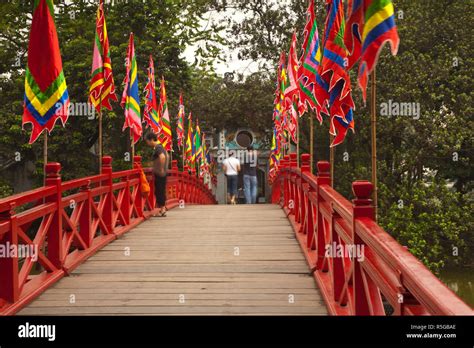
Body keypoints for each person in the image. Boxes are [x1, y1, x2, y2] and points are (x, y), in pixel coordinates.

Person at [145, 132, 169, 216]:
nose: (147, 143)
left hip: (160, 173)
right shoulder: (160, 147)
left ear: (151, 140)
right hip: (161, 172)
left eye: (147, 141)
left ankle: (162, 209)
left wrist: (161, 168)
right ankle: (162, 209)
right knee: (160, 190)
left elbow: (162, 157)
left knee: (159, 190)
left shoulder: (158, 147)